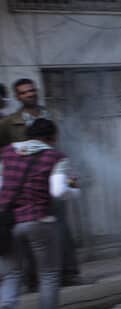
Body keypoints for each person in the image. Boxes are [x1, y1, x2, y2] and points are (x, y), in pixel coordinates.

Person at [0, 119, 80, 309]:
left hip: (7, 223)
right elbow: (58, 191)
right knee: (48, 275)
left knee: (12, 274)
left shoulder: (6, 153)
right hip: (40, 221)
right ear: (52, 138)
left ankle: (6, 308)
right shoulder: (55, 157)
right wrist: (74, 186)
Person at [0, 79, 85, 288]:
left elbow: (66, 141)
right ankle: (35, 279)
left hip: (54, 175)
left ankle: (68, 273)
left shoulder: (50, 115)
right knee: (31, 232)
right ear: (17, 96)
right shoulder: (9, 123)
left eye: (32, 91)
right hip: (27, 185)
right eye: (24, 92)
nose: (30, 94)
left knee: (62, 228)